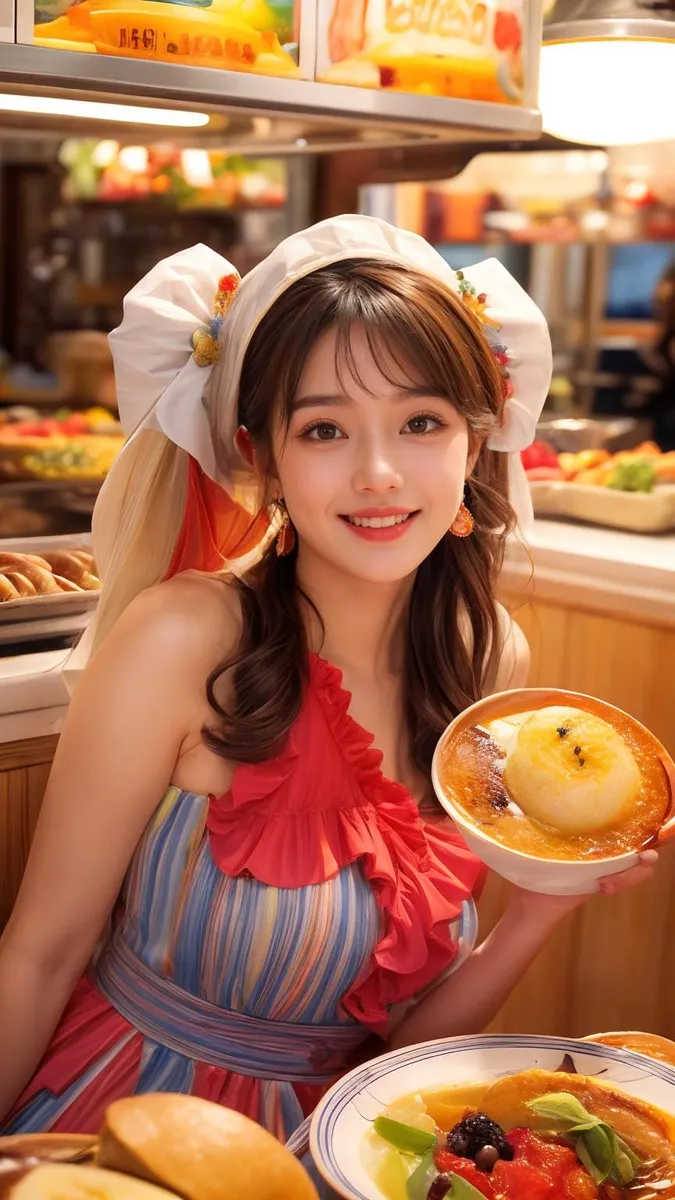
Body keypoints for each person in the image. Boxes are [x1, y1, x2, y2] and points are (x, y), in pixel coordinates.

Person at [0, 215, 655, 1138]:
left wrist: (539, 908)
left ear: (475, 444)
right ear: (262, 456)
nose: (379, 473)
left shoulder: (488, 659)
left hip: (348, 1154)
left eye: (420, 422)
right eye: (324, 430)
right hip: (131, 1133)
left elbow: (387, 1063)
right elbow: (38, 955)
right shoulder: (184, 638)